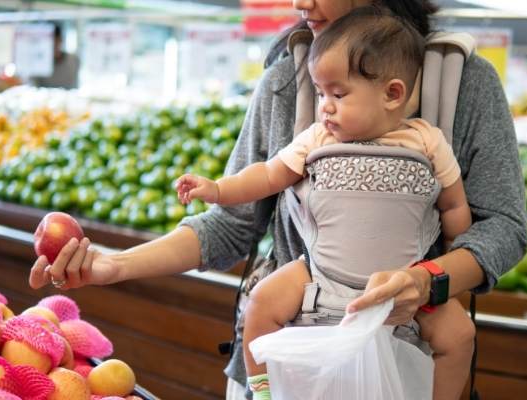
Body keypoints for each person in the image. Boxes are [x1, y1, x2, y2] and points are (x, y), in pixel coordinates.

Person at [28, 1, 527, 399]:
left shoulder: (465, 84)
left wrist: (428, 281)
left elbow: (503, 226)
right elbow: (230, 225)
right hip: (291, 358)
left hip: (408, 363)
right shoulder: (286, 81)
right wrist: (114, 266)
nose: (299, 3)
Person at [176, 8, 472, 399]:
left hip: (403, 290)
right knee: (262, 302)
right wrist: (217, 189)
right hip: (318, 280)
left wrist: (450, 261)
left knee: (459, 334)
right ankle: (262, 390)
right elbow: (265, 176)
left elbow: (454, 207)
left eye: (338, 93)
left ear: (392, 93)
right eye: (319, 93)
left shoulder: (427, 141)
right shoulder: (317, 139)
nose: (325, 107)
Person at [32, 23, 79, 89]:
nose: (51, 46)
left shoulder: (73, 60)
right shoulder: (39, 64)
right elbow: (34, 88)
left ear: (60, 40)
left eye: (54, 42)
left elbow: (75, 86)